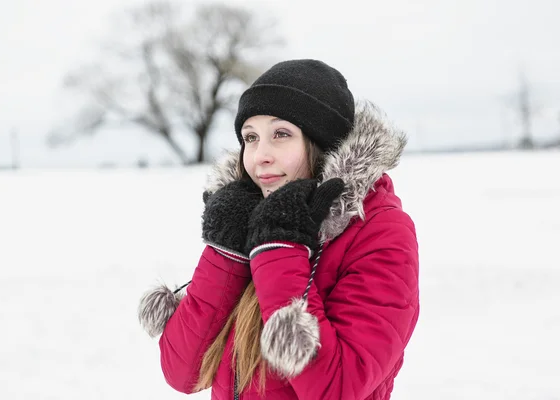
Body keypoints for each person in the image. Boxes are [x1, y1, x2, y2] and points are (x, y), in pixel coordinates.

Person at [138, 59, 419, 400]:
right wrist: (227, 250)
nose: (260, 156)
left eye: (281, 134)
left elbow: (338, 388)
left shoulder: (379, 231)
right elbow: (183, 373)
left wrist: (282, 250)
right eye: (251, 138)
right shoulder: (250, 216)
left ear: (323, 143)